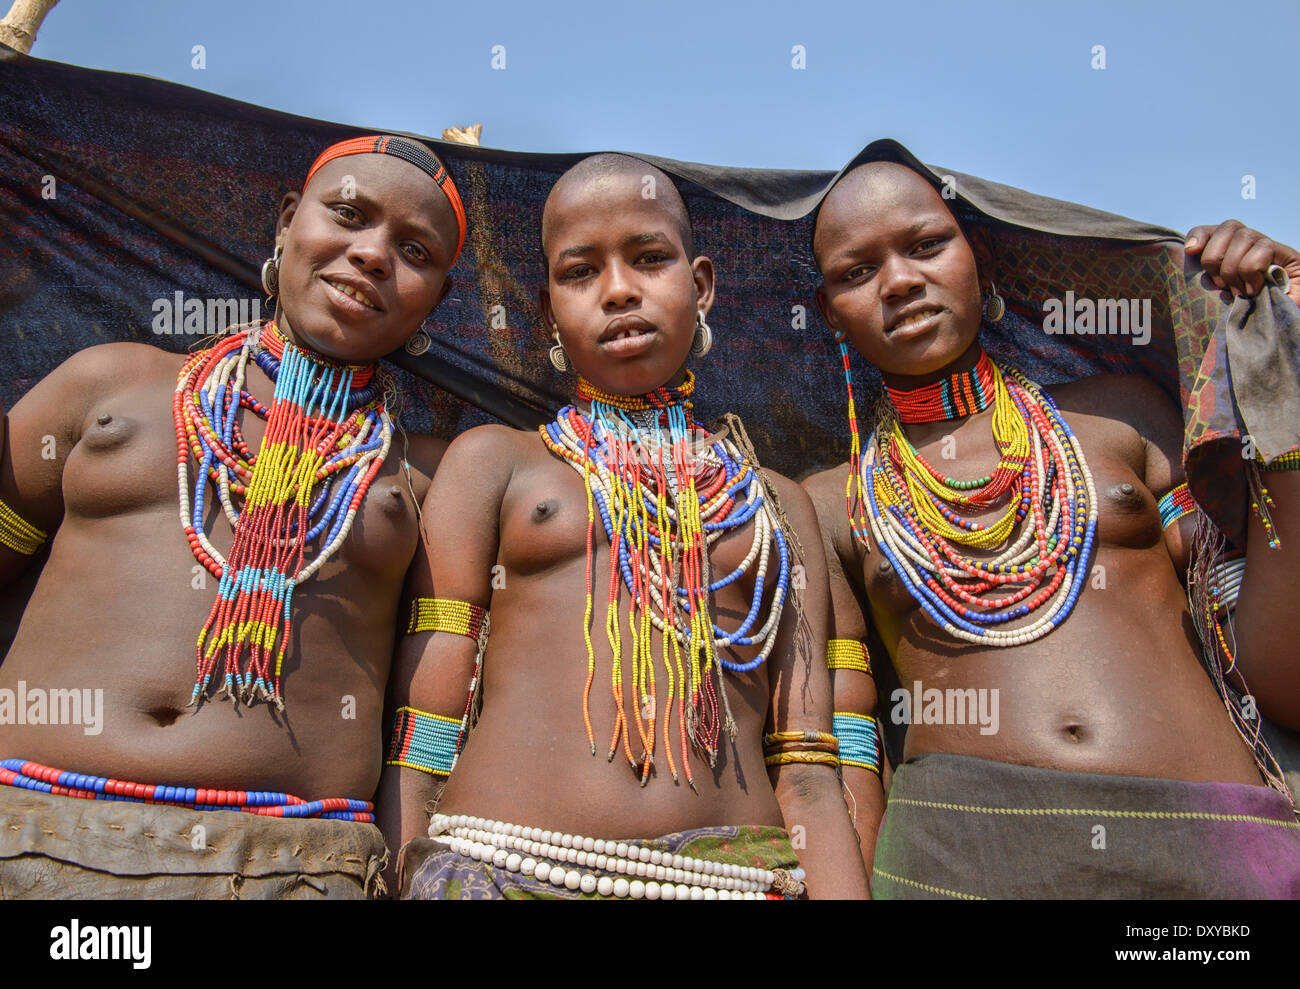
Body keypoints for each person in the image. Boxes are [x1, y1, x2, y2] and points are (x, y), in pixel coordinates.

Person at [802, 154, 1300, 898]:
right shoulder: (831, 503)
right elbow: (846, 740)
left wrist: (1285, 326)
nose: (900, 280)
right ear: (828, 311)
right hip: (963, 859)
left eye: (927, 245)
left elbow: (1270, 670)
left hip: (1210, 845)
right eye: (857, 271)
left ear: (984, 261)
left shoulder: (1122, 416)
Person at [384, 154, 870, 899]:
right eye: (580, 272)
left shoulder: (775, 505)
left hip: (733, 881)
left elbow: (806, 769)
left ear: (700, 285)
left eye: (649, 259)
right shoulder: (497, 465)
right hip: (500, 870)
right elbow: (426, 725)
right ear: (547, 311)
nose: (619, 291)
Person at [0, 134, 466, 898]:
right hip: (27, 828)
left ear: (437, 299)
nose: (373, 254)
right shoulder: (111, 385)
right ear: (286, 223)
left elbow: (428, 703)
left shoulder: (428, 477)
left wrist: (408, 863)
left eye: (414, 250)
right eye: (347, 213)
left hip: (294, 862)